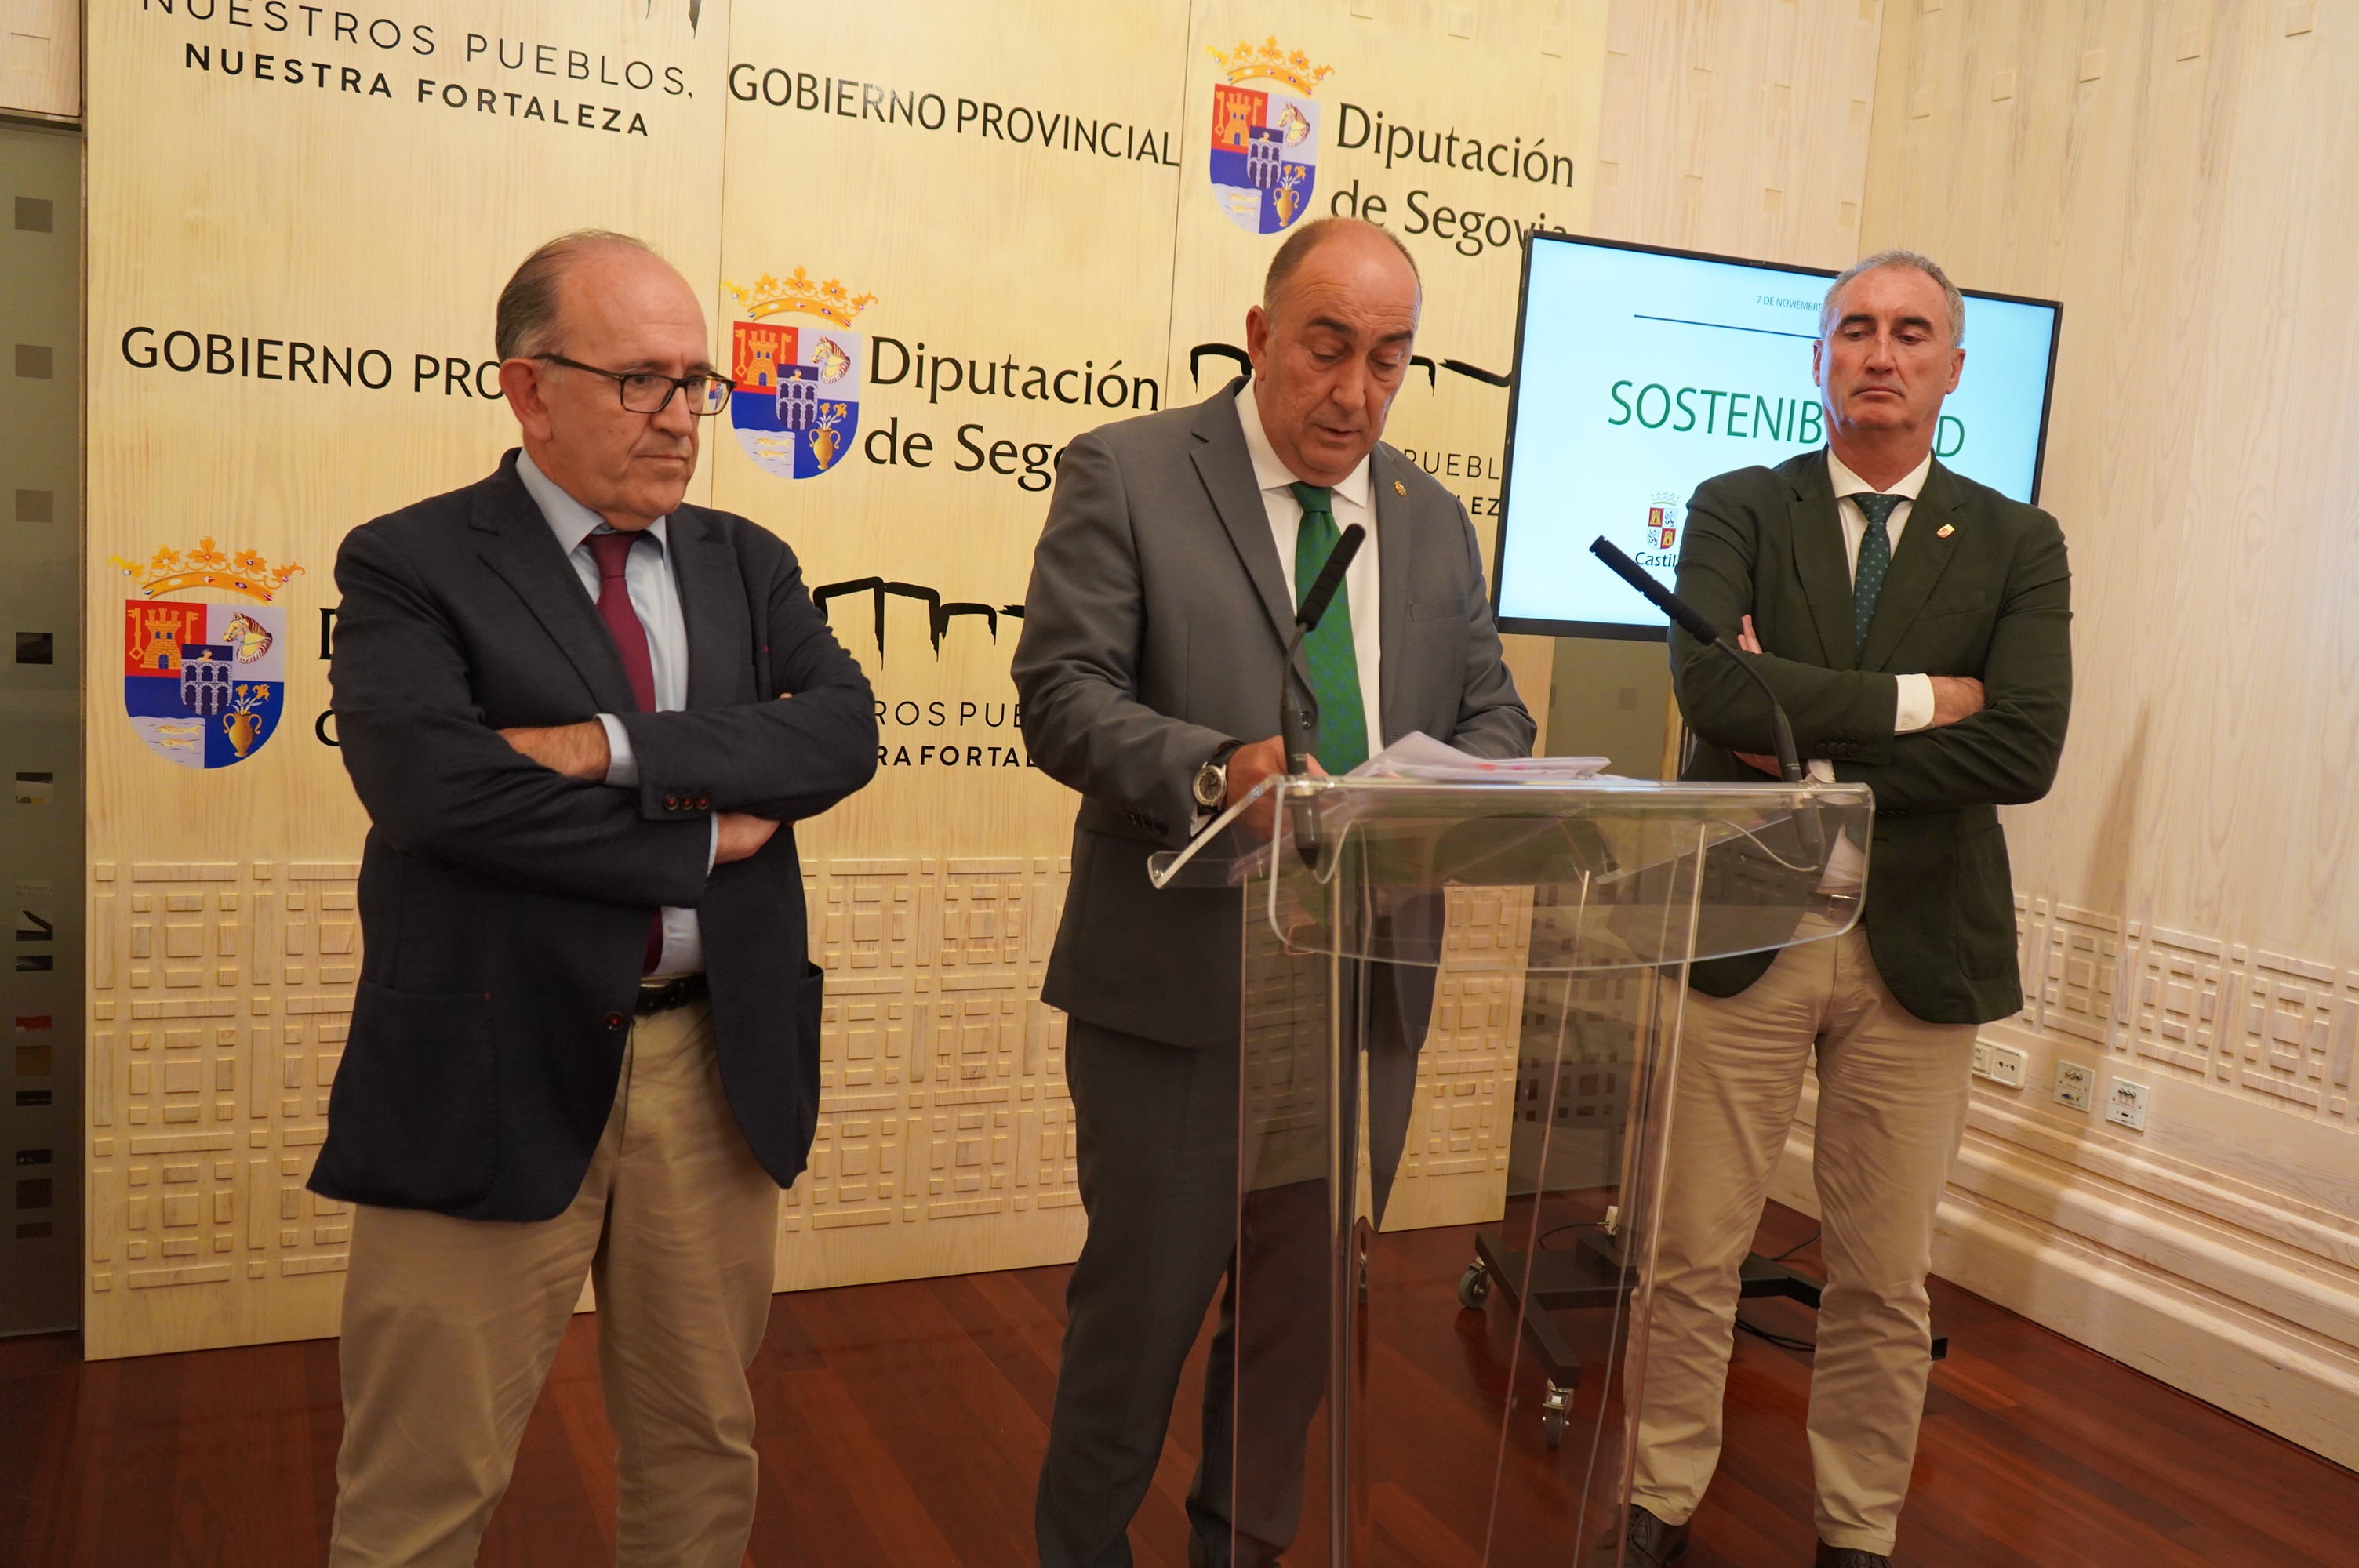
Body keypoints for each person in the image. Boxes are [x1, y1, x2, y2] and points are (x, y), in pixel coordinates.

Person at [312, 230, 878, 1566]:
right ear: (529, 387)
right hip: (486, 1065)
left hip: (713, 1062)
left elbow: (839, 735)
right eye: (641, 381)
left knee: (701, 1453)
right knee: (421, 1485)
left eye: (699, 383)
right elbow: (436, 796)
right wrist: (694, 843)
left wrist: (603, 746)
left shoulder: (748, 561)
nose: (682, 419)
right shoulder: (409, 562)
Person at [1013, 215, 1535, 1568]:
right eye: (1326, 349)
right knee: (1137, 1328)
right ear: (1259, 336)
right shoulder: (1129, 472)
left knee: (1298, 1334)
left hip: (1361, 986)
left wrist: (1449, 792)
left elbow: (1495, 716)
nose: (1355, 391)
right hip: (1187, 985)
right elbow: (1063, 697)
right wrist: (1208, 769)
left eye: (1388, 359)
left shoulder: (1425, 517)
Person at [1627, 249, 2072, 1568]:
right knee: (1691, 1251)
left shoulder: (2017, 541)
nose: (1882, 354)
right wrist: (1936, 699)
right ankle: (1657, 1503)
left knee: (1882, 1279)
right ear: (1818, 356)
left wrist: (1802, 716)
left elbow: (2029, 751)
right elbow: (1714, 698)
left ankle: (1856, 1530)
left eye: (1912, 332)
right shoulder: (1734, 504)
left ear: (1950, 366)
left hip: (1919, 952)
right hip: (1744, 934)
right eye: (1857, 330)